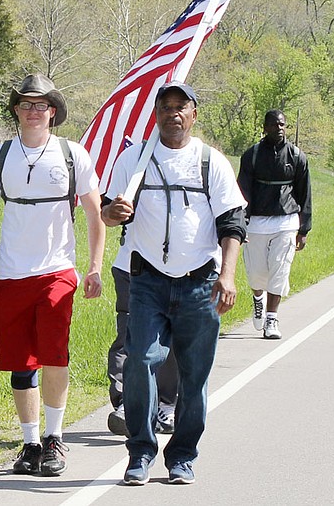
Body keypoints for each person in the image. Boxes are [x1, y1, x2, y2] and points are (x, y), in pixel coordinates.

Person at [101, 81, 246, 486]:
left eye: (181, 107)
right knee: (141, 363)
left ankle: (181, 456)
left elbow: (232, 222)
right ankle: (141, 451)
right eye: (165, 107)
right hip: (147, 281)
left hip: (200, 284)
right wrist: (114, 211)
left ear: (194, 114)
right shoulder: (134, 159)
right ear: (156, 115)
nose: (173, 114)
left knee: (193, 376)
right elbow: (109, 214)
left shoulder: (210, 162)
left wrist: (228, 275)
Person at [0, 73, 105, 477]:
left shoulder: (72, 154)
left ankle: (54, 438)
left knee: (54, 354)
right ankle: (29, 442)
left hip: (56, 272)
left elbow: (95, 214)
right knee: (20, 362)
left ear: (53, 112)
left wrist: (95, 267)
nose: (33, 111)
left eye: (41, 105)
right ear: (16, 110)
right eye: (26, 104)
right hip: (11, 274)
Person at [237, 110, 312, 340]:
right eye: (274, 124)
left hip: (286, 221)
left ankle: (272, 318)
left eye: (282, 124)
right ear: (265, 127)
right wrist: (239, 225)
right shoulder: (251, 156)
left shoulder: (297, 156)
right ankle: (258, 300)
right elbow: (242, 191)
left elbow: (304, 193)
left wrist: (303, 229)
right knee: (257, 274)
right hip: (257, 223)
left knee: (279, 271)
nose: (279, 128)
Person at [106, 239, 179, 437]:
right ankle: (125, 402)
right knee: (127, 335)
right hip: (130, 266)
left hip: (172, 270)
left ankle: (166, 403)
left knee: (168, 336)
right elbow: (108, 213)